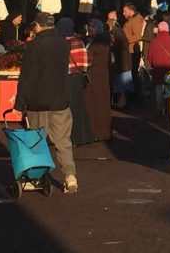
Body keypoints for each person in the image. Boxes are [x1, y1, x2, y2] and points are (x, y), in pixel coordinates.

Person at [16, 12, 78, 193]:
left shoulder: (34, 46)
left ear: (38, 25)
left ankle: (36, 178)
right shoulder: (63, 44)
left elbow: (28, 77)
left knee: (37, 141)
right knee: (63, 140)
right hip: (60, 100)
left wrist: (21, 102)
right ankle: (70, 176)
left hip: (39, 101)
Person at [56, 18, 95, 145]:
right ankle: (82, 136)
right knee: (78, 106)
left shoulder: (58, 42)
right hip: (77, 77)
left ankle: (64, 136)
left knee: (63, 109)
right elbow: (86, 60)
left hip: (63, 78)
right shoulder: (78, 41)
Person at [83, 16, 113, 141]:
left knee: (97, 105)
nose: (90, 29)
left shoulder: (99, 43)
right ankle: (101, 132)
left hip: (96, 78)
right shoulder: (98, 41)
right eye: (89, 26)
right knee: (99, 105)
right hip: (99, 77)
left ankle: (97, 132)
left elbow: (92, 59)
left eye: (93, 27)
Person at [146, 20, 170, 114]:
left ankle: (160, 108)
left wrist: (153, 65)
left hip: (158, 70)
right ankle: (169, 107)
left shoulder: (154, 42)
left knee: (158, 89)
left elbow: (149, 58)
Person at [122, 3, 145, 105]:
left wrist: (125, 41)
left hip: (133, 51)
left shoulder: (136, 21)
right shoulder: (131, 20)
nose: (123, 13)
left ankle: (136, 97)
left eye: (125, 11)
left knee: (134, 74)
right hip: (130, 50)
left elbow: (138, 36)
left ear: (131, 11)